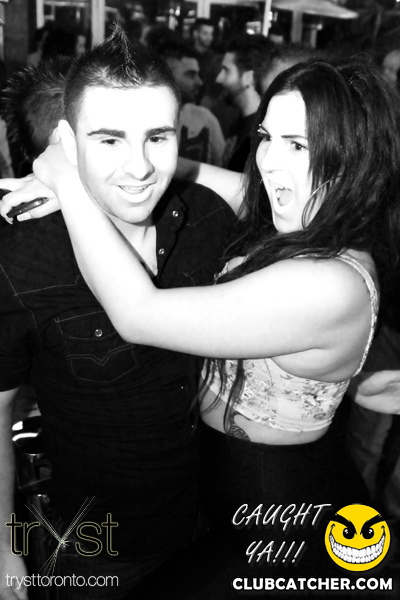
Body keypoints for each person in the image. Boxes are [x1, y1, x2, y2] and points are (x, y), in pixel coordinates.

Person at [7, 55, 400, 597]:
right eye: (267, 137)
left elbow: (138, 314)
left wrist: (70, 182)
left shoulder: (332, 281)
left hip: (282, 518)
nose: (270, 163)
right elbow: (198, 175)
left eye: (298, 145)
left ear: (354, 156)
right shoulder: (299, 219)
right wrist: (116, 167)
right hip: (223, 501)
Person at [0, 27, 235, 600]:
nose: (139, 168)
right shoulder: (23, 255)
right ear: (65, 141)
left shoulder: (207, 219)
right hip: (97, 548)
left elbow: (312, 206)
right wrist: (3, 545)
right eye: (108, 140)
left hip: (218, 522)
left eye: (157, 137)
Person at [159, 40, 225, 165]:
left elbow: (223, 169)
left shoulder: (205, 118)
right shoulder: (142, 120)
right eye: (190, 75)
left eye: (198, 74)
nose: (199, 82)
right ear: (166, 77)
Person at [216, 35, 272, 172]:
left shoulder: (260, 134)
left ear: (248, 77)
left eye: (226, 70)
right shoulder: (239, 124)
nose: (219, 78)